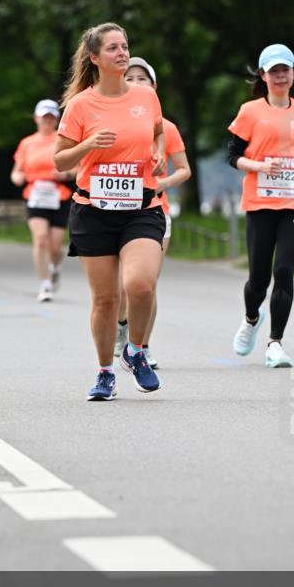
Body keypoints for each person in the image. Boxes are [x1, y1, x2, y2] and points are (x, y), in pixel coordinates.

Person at [54, 23, 166, 401]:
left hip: (141, 207)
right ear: (95, 58)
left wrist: (160, 148)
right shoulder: (80, 105)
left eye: (125, 46)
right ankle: (105, 372)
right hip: (93, 210)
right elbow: (59, 160)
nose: (122, 53)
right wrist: (87, 144)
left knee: (140, 284)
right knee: (105, 300)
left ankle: (135, 351)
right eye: (114, 48)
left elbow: (157, 131)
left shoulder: (145, 97)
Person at [227, 43, 294, 368]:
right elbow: (232, 156)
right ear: (263, 75)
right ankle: (250, 319)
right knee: (258, 279)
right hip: (260, 203)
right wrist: (257, 167)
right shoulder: (250, 112)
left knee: (284, 270)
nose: (281, 75)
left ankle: (275, 343)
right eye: (274, 70)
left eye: (285, 69)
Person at [114, 57, 191, 367]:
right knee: (122, 285)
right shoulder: (111, 121)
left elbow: (184, 170)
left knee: (146, 283)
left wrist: (162, 183)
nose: (135, 82)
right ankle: (122, 329)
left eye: (142, 78)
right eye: (129, 77)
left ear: (153, 87)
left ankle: (142, 345)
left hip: (155, 211)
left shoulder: (166, 127)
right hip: (116, 211)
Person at [11, 99, 75, 302]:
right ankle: (44, 284)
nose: (47, 120)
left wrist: (66, 175)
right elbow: (16, 171)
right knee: (40, 240)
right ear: (36, 118)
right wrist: (17, 178)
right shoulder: (27, 143)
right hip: (35, 194)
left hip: (59, 195)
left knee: (55, 246)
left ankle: (55, 266)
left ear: (56, 119)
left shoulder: (63, 140)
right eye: (43, 117)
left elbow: (77, 168)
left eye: (51, 117)